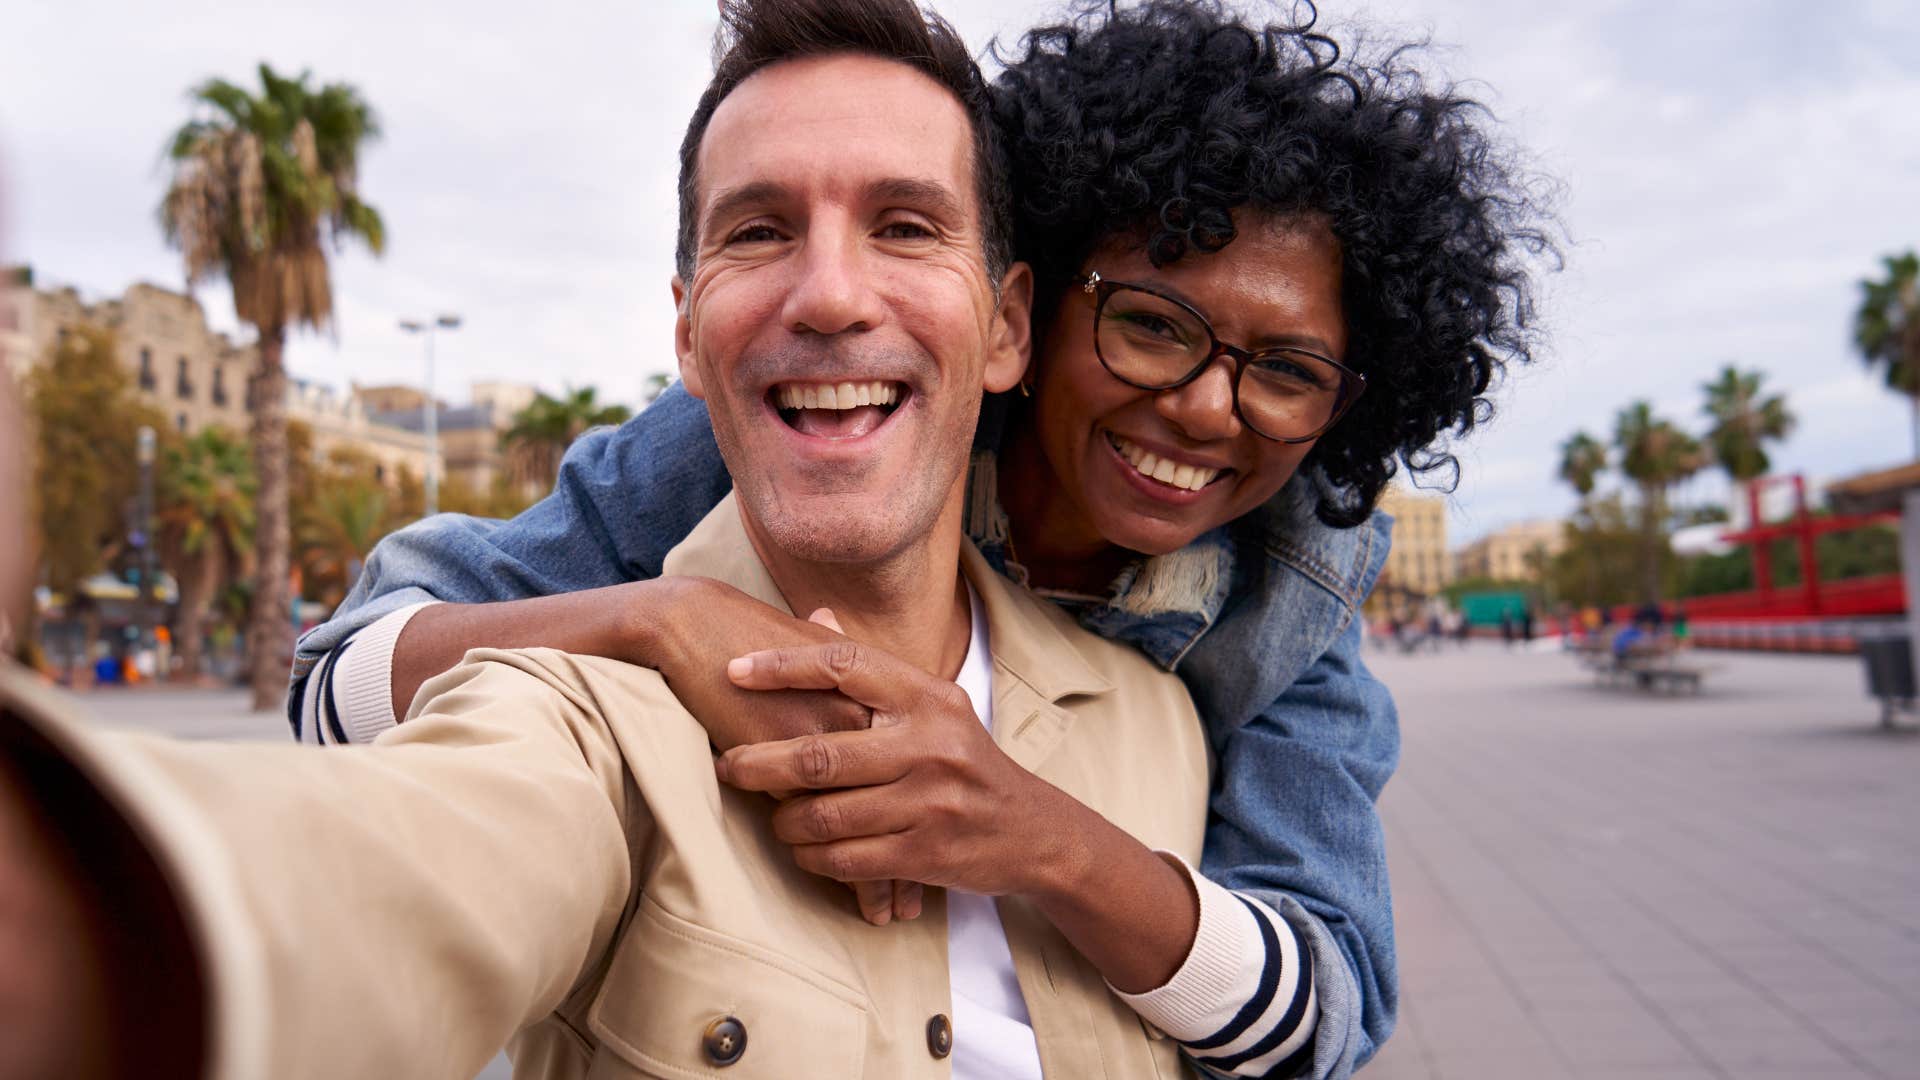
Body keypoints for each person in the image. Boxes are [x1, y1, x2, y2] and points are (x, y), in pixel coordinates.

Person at [0, 3, 1314, 1076]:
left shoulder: (1164, 719)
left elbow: (1309, 1001)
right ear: (688, 331)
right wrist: (82, 924)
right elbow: (386, 865)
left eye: (905, 226)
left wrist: (1052, 845)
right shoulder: (580, 711)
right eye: (759, 230)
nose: (832, 293)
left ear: (1009, 326)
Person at [288, 1, 1553, 1073]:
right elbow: (340, 684)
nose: (1209, 405)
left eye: (1285, 369)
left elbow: (1326, 1006)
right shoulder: (785, 415)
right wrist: (661, 619)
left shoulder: (1289, 601)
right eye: (1157, 327)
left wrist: (1043, 837)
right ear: (1033, 315)